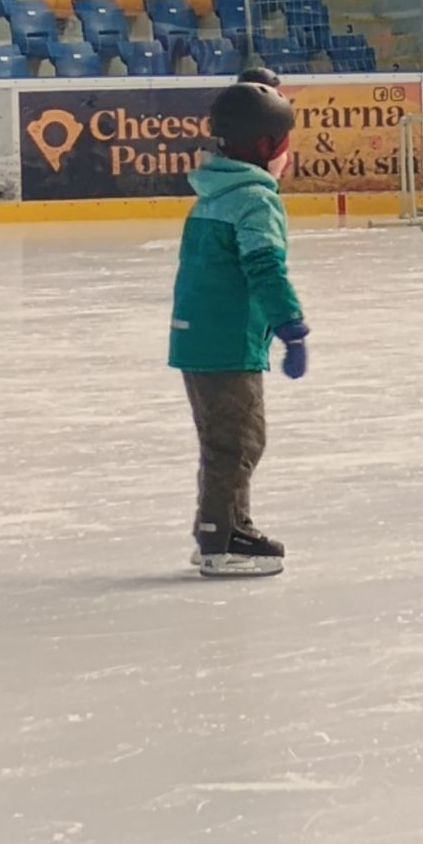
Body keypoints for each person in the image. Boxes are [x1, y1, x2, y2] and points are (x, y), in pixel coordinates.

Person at [169, 83, 309, 576]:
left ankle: (215, 527)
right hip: (227, 339)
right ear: (269, 145)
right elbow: (264, 265)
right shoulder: (254, 199)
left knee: (222, 440)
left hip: (197, 336)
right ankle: (223, 538)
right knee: (238, 441)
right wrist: (291, 325)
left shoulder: (213, 191)